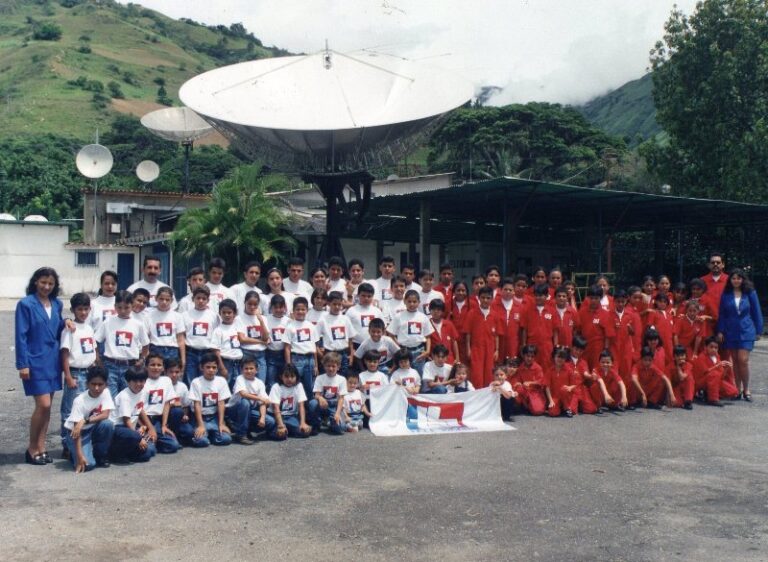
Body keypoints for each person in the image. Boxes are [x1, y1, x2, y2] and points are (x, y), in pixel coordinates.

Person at [15, 267, 67, 465]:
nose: (46, 286)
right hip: (35, 361)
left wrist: (67, 322)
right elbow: (21, 335)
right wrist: (23, 364)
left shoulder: (57, 303)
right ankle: (31, 448)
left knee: (48, 408)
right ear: (35, 281)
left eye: (50, 283)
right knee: (42, 404)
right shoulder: (26, 304)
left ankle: (42, 447)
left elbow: (56, 326)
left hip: (53, 361)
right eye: (43, 282)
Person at [59, 293, 98, 458]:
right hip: (75, 373)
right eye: (79, 309)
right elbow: (65, 354)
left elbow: (92, 350)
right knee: (70, 410)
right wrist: (68, 376)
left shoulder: (89, 328)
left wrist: (97, 366)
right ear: (73, 310)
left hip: (89, 373)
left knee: (88, 409)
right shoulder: (69, 330)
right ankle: (67, 445)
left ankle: (84, 442)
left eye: (86, 309)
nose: (83, 312)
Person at [717, 268, 763, 401]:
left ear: (743, 279)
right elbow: (722, 314)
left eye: (738, 278)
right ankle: (737, 390)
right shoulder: (725, 294)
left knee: (743, 360)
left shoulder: (750, 293)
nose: (736, 280)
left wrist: (758, 330)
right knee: (735, 361)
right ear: (730, 280)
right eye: (733, 278)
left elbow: (757, 312)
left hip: (747, 330)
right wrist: (720, 330)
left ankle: (746, 389)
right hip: (730, 331)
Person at [95, 290, 149, 398]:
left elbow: (146, 344)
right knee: (111, 397)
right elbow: (95, 341)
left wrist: (142, 359)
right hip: (111, 366)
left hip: (130, 366)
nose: (123, 311)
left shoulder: (138, 324)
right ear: (115, 306)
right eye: (119, 307)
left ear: (132, 305)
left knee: (127, 397)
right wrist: (98, 360)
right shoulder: (108, 322)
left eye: (126, 307)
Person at [62, 365, 115, 472]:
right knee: (88, 465)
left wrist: (85, 421)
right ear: (87, 384)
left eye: (100, 384)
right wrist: (79, 456)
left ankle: (100, 455)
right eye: (93, 384)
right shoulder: (79, 401)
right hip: (76, 434)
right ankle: (74, 455)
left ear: (106, 385)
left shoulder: (105, 392)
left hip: (92, 427)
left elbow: (105, 414)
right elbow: (76, 433)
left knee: (107, 424)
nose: (97, 388)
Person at [109, 367, 157, 463]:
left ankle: (129, 452)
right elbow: (126, 421)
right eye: (134, 381)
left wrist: (151, 428)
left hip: (131, 429)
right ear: (128, 381)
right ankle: (114, 455)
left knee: (150, 451)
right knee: (138, 442)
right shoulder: (124, 396)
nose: (138, 384)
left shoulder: (142, 392)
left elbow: (140, 410)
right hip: (118, 428)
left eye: (141, 381)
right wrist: (139, 438)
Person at [226, 356, 275, 444]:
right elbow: (243, 394)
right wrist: (260, 398)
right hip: (234, 410)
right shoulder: (240, 378)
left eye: (251, 368)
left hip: (249, 411)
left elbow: (263, 403)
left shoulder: (259, 383)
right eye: (246, 368)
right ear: (241, 370)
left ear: (257, 370)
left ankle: (246, 429)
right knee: (245, 402)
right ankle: (241, 434)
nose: (249, 371)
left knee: (270, 421)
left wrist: (262, 418)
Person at [188, 352, 233, 446]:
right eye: (208, 367)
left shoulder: (221, 381)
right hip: (200, 418)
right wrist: (200, 425)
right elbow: (197, 404)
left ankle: (212, 434)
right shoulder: (196, 382)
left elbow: (221, 403)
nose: (211, 370)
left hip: (214, 417)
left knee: (226, 439)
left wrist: (221, 424)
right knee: (201, 441)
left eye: (214, 367)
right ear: (201, 368)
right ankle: (206, 435)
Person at [464, 286, 503, 388]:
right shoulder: (472, 313)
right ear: (479, 298)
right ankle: (477, 399)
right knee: (477, 375)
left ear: (492, 299)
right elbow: (468, 333)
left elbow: (497, 335)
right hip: (476, 348)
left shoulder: (495, 315)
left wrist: (497, 350)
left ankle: (488, 398)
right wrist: (468, 349)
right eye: (483, 297)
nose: (485, 300)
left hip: (490, 348)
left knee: (489, 374)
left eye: (488, 298)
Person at [387, 289, 433, 375]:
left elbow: (428, 336)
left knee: (419, 374)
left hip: (419, 351)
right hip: (404, 351)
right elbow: (391, 334)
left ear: (419, 302)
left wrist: (427, 351)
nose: (412, 304)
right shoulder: (398, 316)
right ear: (404, 301)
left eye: (414, 301)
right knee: (403, 374)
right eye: (409, 301)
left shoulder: (423, 317)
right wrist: (399, 347)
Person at [181, 286, 219, 386]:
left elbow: (216, 335)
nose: (201, 301)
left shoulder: (213, 316)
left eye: (204, 298)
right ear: (193, 299)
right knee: (191, 381)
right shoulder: (185, 315)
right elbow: (183, 336)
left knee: (206, 382)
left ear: (208, 300)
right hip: (191, 352)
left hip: (207, 353)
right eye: (198, 298)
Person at [143, 353, 181, 453]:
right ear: (146, 367)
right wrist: (150, 428)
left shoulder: (166, 380)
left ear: (163, 368)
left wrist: (164, 425)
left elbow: (167, 403)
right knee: (149, 450)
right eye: (152, 365)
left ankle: (157, 440)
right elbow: (139, 409)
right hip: (144, 420)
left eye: (159, 365)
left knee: (174, 446)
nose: (156, 368)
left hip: (158, 421)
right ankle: (152, 442)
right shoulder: (142, 381)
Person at [283, 296, 320, 398]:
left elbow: (314, 347)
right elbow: (287, 348)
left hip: (310, 359)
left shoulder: (311, 326)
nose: (300, 312)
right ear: (293, 311)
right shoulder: (290, 327)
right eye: (298, 309)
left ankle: (309, 409)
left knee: (310, 386)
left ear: (307, 310)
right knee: (295, 385)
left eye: (303, 309)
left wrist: (316, 365)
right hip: (297, 359)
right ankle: (297, 410)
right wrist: (289, 365)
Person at [269, 364, 313, 439]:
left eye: (292, 376)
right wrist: (280, 425)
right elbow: (276, 408)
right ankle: (278, 430)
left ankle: (288, 429)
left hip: (291, 416)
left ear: (296, 377)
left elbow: (301, 406)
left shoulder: (298, 386)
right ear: (281, 377)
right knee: (280, 435)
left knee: (304, 432)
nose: (289, 379)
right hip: (276, 416)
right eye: (286, 376)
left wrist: (303, 423)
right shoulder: (276, 387)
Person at [316, 291, 356, 376]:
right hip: (329, 352)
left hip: (344, 354)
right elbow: (315, 340)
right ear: (329, 303)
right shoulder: (323, 319)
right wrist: (322, 355)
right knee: (328, 378)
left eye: (339, 304)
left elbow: (350, 339)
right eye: (334, 304)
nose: (337, 307)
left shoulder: (345, 319)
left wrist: (351, 355)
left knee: (343, 378)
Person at [692, 336, 739, 406]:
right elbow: (706, 372)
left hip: (713, 381)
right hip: (700, 382)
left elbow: (721, 377)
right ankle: (713, 399)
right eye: (711, 347)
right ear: (705, 347)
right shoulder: (702, 357)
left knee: (734, 391)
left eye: (716, 348)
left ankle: (709, 393)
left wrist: (726, 368)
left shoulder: (717, 357)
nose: (714, 349)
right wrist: (717, 366)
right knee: (714, 374)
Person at [237, 291, 270, 384]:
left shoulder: (263, 318)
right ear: (245, 303)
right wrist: (260, 342)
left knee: (261, 382)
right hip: (247, 353)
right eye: (249, 304)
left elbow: (265, 338)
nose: (252, 307)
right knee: (245, 383)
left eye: (255, 304)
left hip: (261, 355)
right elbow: (242, 339)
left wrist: (261, 320)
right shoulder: (239, 318)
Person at [164, 358, 197, 446]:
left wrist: (185, 415)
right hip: (163, 418)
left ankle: (176, 437)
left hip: (178, 419)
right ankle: (173, 438)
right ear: (165, 372)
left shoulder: (182, 386)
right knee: (177, 410)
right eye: (171, 372)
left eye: (177, 372)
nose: (174, 375)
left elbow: (185, 405)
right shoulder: (162, 385)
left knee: (190, 432)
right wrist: (173, 404)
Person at [212, 298, 245, 389]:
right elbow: (216, 351)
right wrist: (222, 367)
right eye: (224, 312)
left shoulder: (238, 327)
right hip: (226, 363)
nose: (227, 315)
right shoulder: (218, 330)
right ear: (220, 313)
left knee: (238, 389)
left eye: (229, 312)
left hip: (238, 363)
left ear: (235, 313)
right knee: (224, 388)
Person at [147, 286, 185, 364]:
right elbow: (147, 338)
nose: (164, 302)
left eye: (167, 300)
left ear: (172, 301)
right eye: (161, 299)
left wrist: (183, 359)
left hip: (172, 350)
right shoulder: (149, 316)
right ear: (156, 298)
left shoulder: (177, 316)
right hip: (155, 349)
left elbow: (180, 340)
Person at [312, 352, 348, 434]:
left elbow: (341, 399)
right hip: (323, 405)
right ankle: (316, 424)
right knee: (312, 403)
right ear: (324, 366)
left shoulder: (342, 379)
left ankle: (330, 422)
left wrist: (337, 413)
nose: (331, 368)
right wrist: (320, 397)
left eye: (333, 366)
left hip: (334, 407)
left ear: (338, 367)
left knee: (341, 429)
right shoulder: (320, 378)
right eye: (328, 366)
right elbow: (316, 394)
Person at [510, 345, 547, 415]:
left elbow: (542, 381)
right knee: (517, 389)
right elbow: (516, 380)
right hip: (523, 391)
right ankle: (520, 404)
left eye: (532, 356)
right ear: (523, 356)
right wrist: (518, 383)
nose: (529, 358)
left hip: (534, 392)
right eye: (527, 356)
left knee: (538, 411)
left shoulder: (538, 368)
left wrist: (531, 383)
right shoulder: (520, 367)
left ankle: (527, 406)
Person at [264, 294, 291, 392]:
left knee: (285, 380)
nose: (278, 310)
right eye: (276, 307)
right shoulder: (266, 319)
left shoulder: (288, 321)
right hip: (271, 354)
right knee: (271, 381)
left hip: (284, 353)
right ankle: (271, 404)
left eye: (281, 307)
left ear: (285, 307)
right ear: (271, 308)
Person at [669, 345, 694, 410]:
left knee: (689, 378)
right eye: (678, 356)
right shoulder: (670, 366)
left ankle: (688, 401)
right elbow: (668, 382)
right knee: (676, 404)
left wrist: (678, 367)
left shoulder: (688, 365)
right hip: (675, 387)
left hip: (685, 386)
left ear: (685, 356)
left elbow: (682, 377)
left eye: (682, 355)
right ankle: (683, 399)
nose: (680, 358)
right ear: (674, 357)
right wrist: (670, 396)